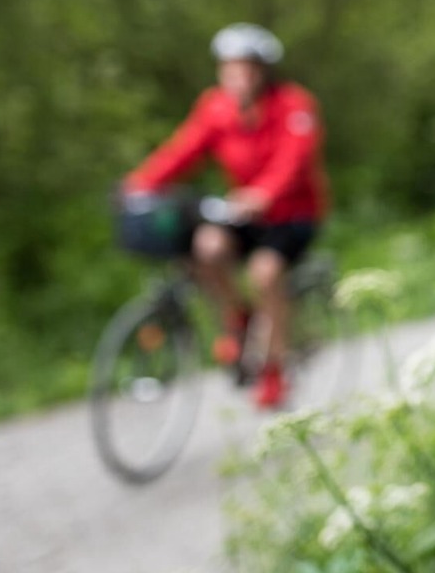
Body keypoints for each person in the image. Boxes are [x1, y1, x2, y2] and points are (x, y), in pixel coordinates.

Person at [125, 23, 329, 409]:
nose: (239, 78)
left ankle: (273, 370)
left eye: (248, 69)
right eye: (230, 69)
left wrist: (263, 193)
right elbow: (182, 151)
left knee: (265, 274)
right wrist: (140, 183)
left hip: (292, 215)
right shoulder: (215, 108)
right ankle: (239, 316)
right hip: (244, 214)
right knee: (207, 246)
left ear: (263, 71)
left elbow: (295, 160)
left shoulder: (294, 106)